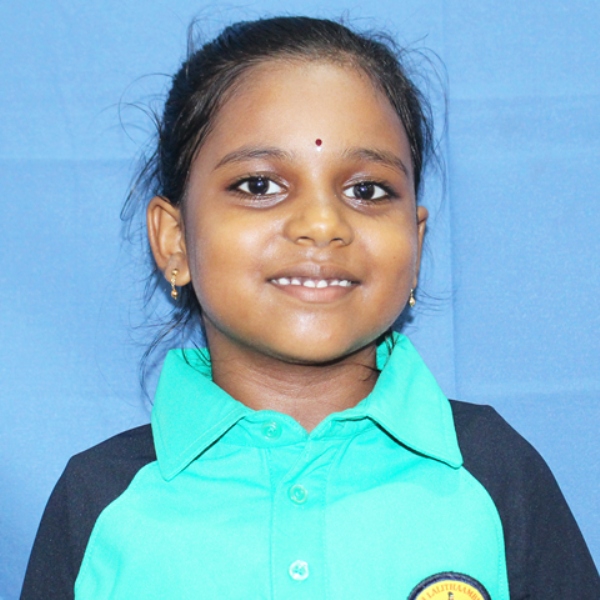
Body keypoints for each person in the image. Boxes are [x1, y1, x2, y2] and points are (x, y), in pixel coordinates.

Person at [20, 16, 599, 600]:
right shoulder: (100, 502)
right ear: (175, 241)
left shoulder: (494, 475)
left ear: (416, 244)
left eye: (366, 190)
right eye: (259, 186)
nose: (322, 224)